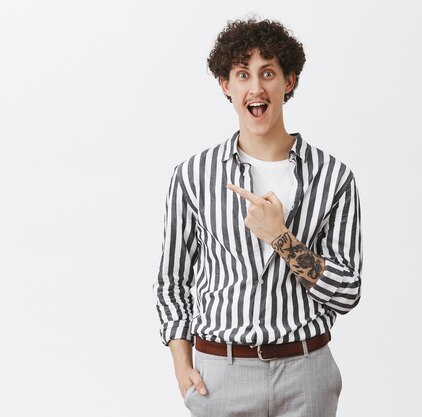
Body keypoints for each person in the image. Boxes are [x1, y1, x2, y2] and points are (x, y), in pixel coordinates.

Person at [154, 18, 362, 417]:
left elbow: (348, 292)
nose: (256, 87)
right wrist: (182, 366)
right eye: (242, 74)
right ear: (225, 85)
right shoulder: (194, 175)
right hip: (220, 375)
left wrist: (281, 237)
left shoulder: (334, 177)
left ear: (289, 81)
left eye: (268, 73)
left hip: (307, 374)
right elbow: (171, 282)